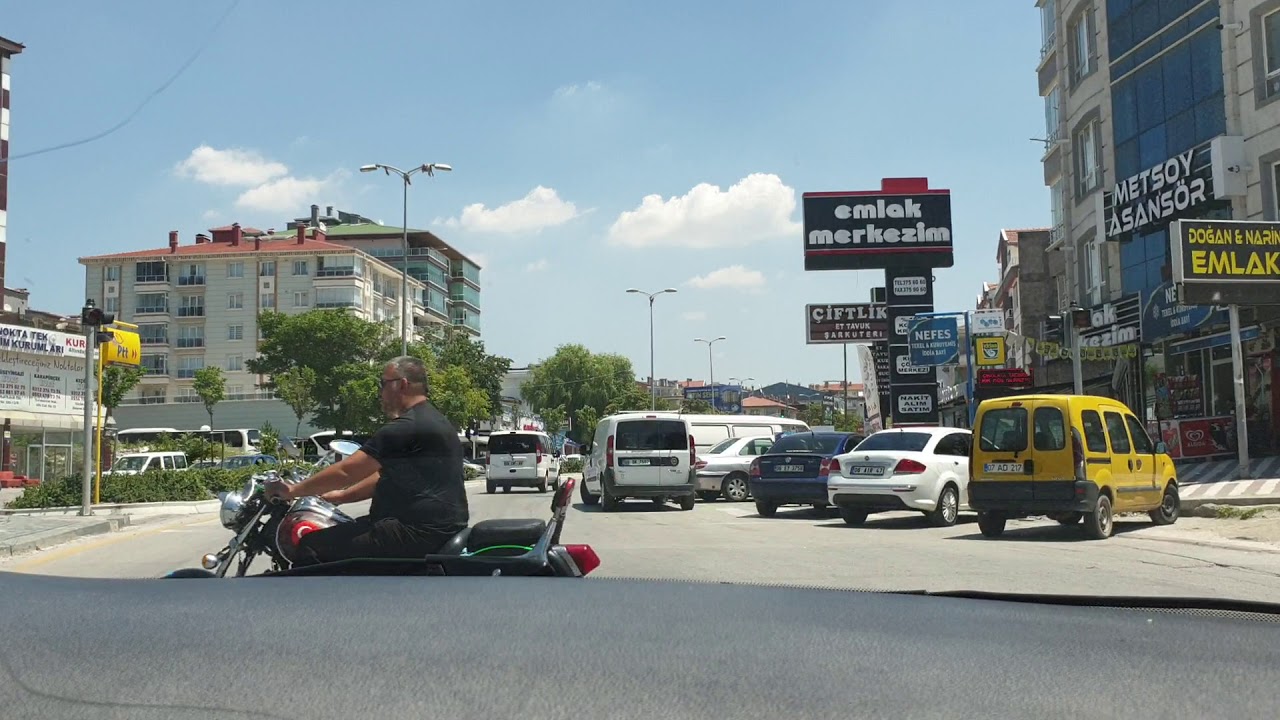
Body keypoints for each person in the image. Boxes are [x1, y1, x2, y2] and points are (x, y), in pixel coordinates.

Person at [263, 356, 470, 565]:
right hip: (434, 528)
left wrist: (292, 490)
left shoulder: (406, 427)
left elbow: (347, 471)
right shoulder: (434, 420)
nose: (380, 392)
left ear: (402, 384)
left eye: (383, 383)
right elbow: (383, 475)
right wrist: (341, 496)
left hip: (415, 531)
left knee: (310, 546)